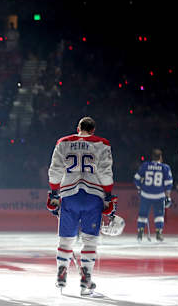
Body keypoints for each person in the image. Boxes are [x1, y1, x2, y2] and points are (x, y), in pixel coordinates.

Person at [47, 116, 117, 296]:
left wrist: (54, 193)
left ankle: (61, 273)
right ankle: (86, 278)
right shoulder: (102, 143)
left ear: (78, 127)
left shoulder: (63, 142)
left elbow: (55, 170)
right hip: (93, 196)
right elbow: (105, 171)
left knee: (66, 239)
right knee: (90, 240)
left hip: (69, 195)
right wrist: (108, 196)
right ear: (93, 130)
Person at [134, 149, 173, 242]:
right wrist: (168, 196)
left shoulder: (145, 166)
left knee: (142, 214)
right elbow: (168, 183)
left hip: (146, 195)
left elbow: (136, 179)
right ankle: (159, 233)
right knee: (159, 215)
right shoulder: (165, 167)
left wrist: (139, 188)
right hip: (159, 195)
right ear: (160, 157)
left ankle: (140, 232)